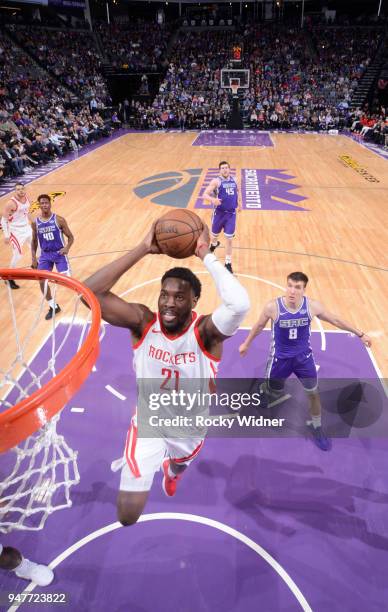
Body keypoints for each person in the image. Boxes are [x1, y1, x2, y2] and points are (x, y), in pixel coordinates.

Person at [84, 223, 250, 526]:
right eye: (165, 295)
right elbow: (89, 293)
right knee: (127, 515)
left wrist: (205, 255)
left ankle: (172, 471)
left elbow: (239, 304)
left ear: (194, 302)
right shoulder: (143, 323)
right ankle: (160, 465)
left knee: (179, 465)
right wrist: (142, 248)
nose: (169, 303)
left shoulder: (206, 333)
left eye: (179, 297)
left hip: (190, 425)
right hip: (149, 422)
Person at [239, 271, 372, 451]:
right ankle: (265, 389)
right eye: (290, 286)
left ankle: (316, 426)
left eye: (297, 287)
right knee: (273, 390)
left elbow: (335, 319)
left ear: (304, 290)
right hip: (280, 360)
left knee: (313, 393)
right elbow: (259, 325)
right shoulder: (273, 307)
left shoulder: (311, 307)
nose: (292, 291)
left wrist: (360, 334)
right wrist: (246, 343)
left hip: (304, 359)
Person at [31, 194, 74, 320]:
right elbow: (34, 241)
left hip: (59, 253)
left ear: (50, 204)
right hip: (45, 255)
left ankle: (85, 296)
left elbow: (71, 237)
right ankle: (53, 306)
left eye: (46, 202)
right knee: (41, 281)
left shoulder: (59, 219)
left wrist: (66, 248)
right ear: (39, 205)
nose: (44, 205)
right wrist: (33, 258)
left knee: (68, 281)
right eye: (42, 203)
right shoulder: (35, 223)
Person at [203, 161, 242, 274]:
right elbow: (204, 194)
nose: (225, 170)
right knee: (214, 235)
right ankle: (215, 244)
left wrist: (240, 203)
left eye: (226, 168)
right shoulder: (216, 181)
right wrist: (213, 200)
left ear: (229, 169)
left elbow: (238, 192)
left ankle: (228, 263)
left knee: (229, 239)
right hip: (219, 213)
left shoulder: (235, 180)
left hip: (231, 214)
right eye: (222, 168)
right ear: (219, 170)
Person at [1, 182, 32, 289]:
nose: (20, 191)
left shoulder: (27, 199)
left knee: (36, 248)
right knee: (17, 255)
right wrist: (6, 235)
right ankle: (9, 278)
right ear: (15, 191)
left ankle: (35, 264)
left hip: (27, 228)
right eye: (18, 189)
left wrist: (34, 224)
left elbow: (27, 213)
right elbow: (3, 220)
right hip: (16, 232)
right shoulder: (11, 203)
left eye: (22, 189)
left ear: (25, 189)